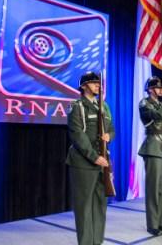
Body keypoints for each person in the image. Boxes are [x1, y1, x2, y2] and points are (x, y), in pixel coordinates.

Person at [66, 72, 115, 245]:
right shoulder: (77, 106)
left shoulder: (105, 106)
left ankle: (97, 241)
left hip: (103, 161)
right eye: (94, 83)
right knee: (84, 207)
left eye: (99, 83)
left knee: (100, 205)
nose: (98, 86)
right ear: (84, 86)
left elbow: (112, 128)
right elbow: (78, 135)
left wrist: (109, 135)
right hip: (84, 162)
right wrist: (95, 157)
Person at [138, 76, 162, 236]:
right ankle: (153, 224)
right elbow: (157, 116)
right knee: (153, 188)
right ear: (151, 89)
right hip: (153, 147)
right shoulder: (144, 103)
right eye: (159, 88)